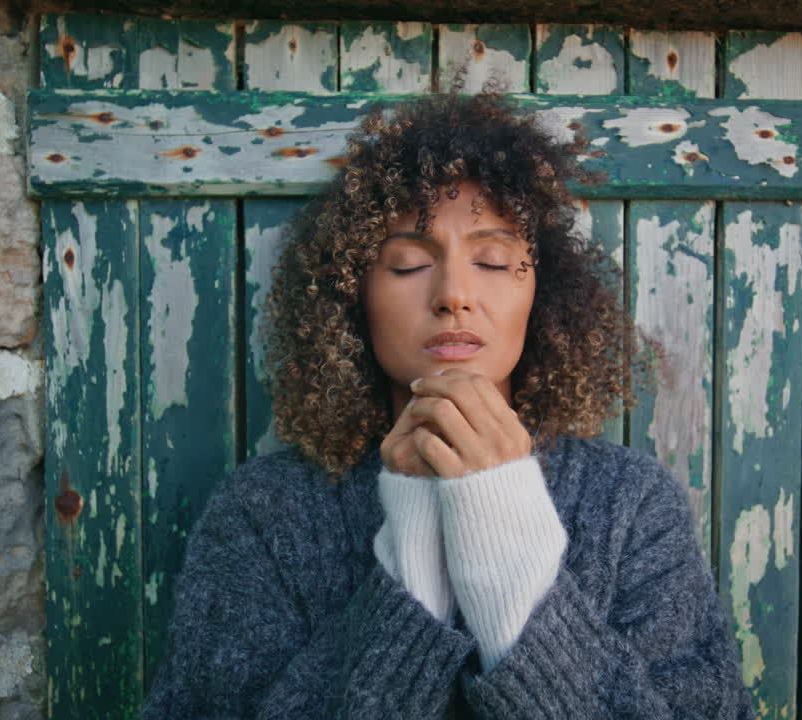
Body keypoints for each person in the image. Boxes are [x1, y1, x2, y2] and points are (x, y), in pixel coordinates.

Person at [141, 93, 754, 719]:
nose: (453, 294)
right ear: (353, 297)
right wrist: (409, 565)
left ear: (541, 293)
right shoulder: (265, 513)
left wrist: (512, 571)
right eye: (408, 264)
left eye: (492, 260)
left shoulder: (630, 502)